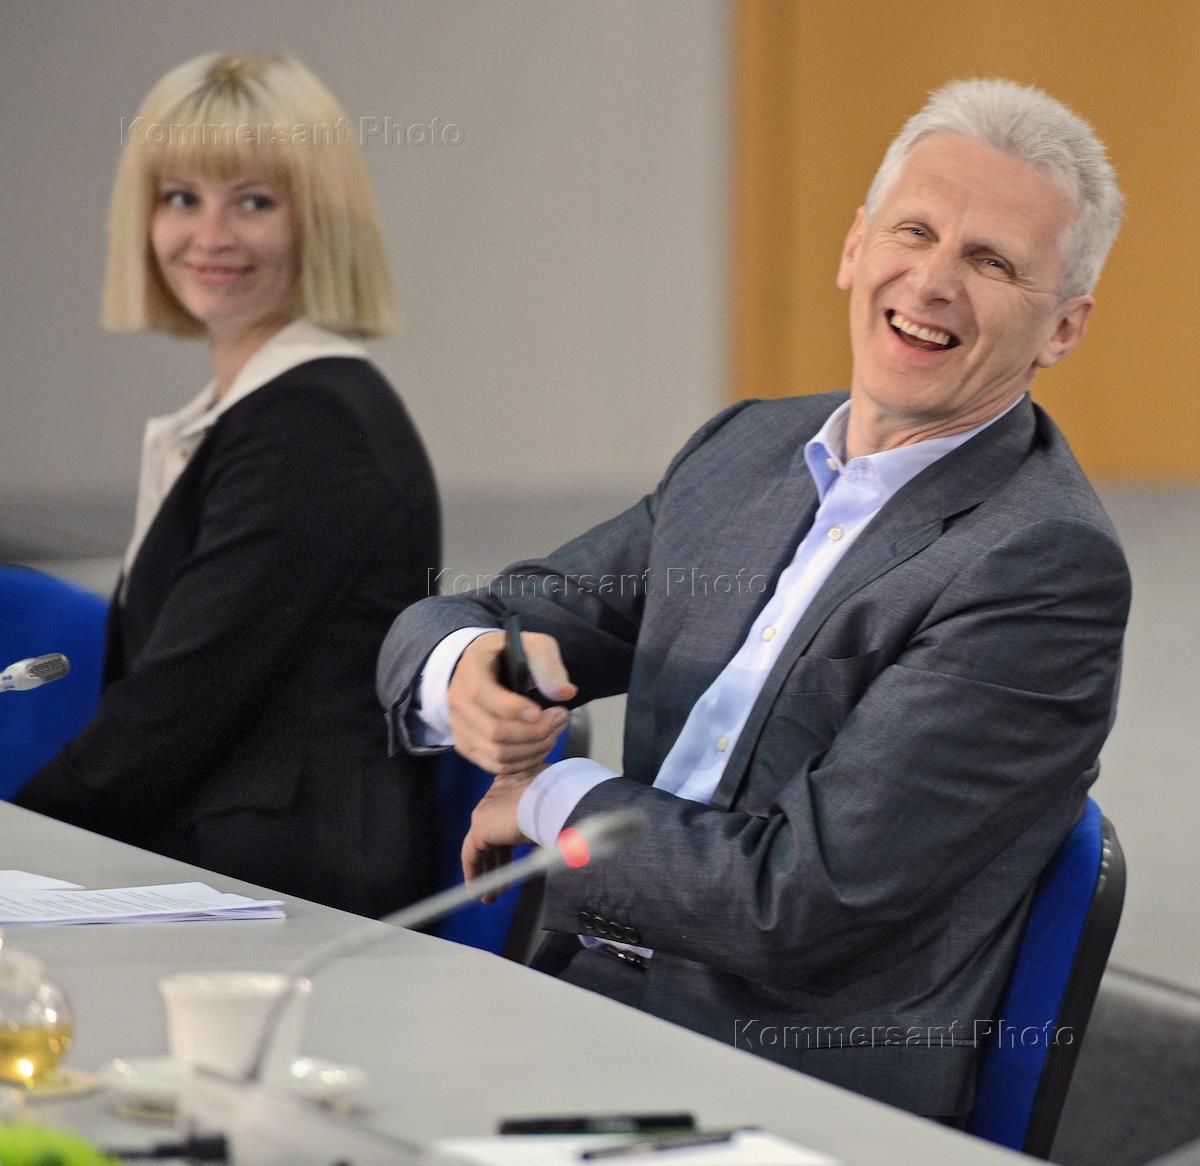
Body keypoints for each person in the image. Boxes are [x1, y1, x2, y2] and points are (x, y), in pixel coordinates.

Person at [377, 79, 1131, 1118]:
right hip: (579, 1008)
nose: (934, 281)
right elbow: (484, 614)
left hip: (784, 1085)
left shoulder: (1042, 564)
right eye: (914, 231)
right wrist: (461, 666)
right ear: (855, 248)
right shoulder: (745, 450)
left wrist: (550, 799)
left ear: (1063, 328)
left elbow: (800, 901)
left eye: (993, 262)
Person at [17, 53, 441, 919]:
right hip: (207, 867)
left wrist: (19, 841)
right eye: (181, 198)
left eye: (253, 202)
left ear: (318, 220)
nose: (210, 236)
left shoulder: (311, 429)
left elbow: (173, 713)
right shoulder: (257, 412)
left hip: (280, 902)